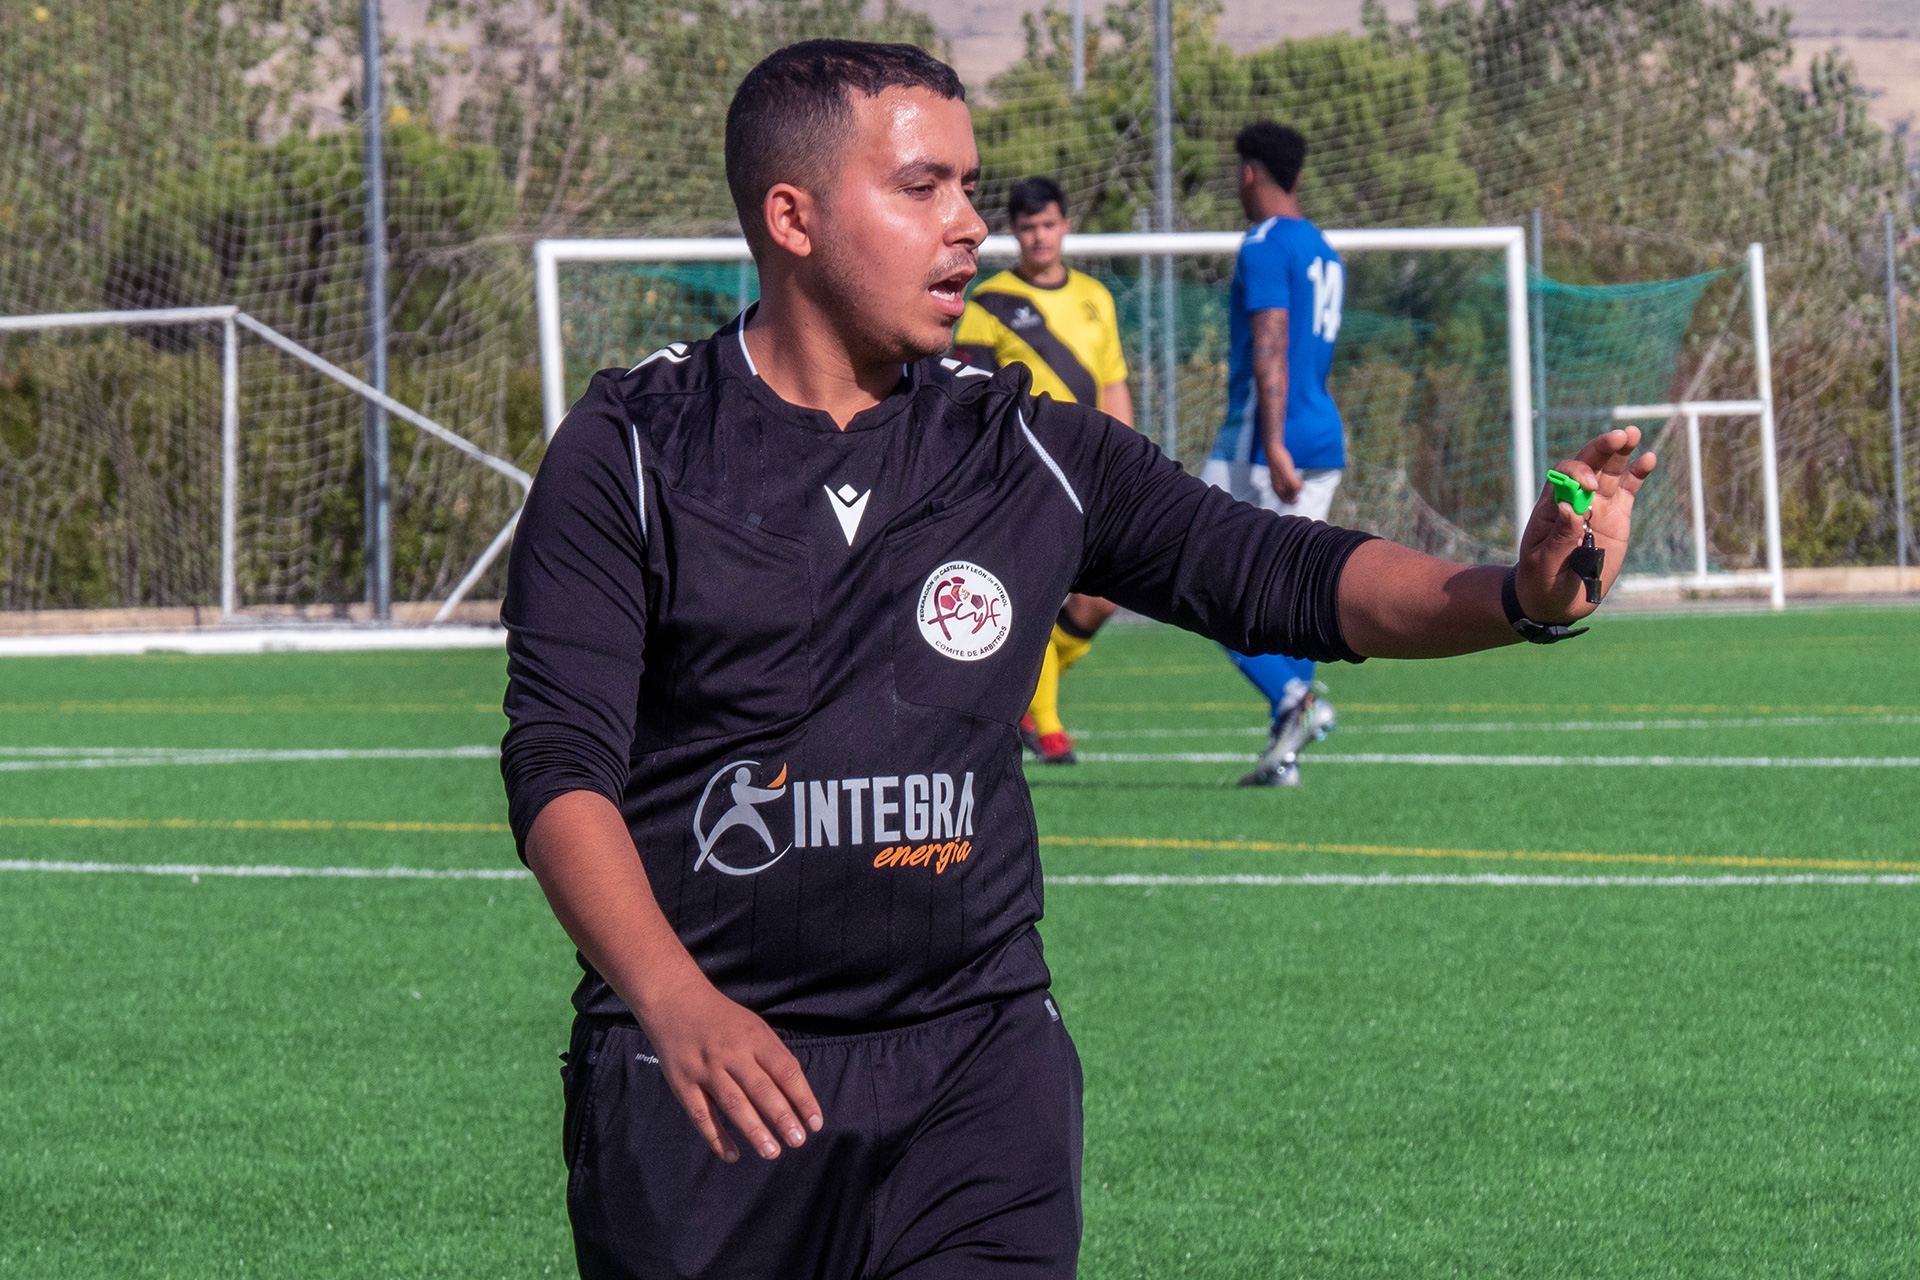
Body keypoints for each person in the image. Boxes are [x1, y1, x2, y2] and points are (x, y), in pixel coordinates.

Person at [500, 38, 1654, 1280]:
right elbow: (560, 763)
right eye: (923, 187)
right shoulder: (629, 448)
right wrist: (674, 1001)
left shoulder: (1024, 446)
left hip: (975, 1070)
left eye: (971, 188)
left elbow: (1283, 572)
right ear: (792, 216)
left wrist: (1519, 592)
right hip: (706, 1082)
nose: (972, 227)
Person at [952, 176, 1133, 765]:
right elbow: (968, 388)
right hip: (1023, 473)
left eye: (1048, 224)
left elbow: (1112, 381)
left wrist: (1127, 455)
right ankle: (1047, 724)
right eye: (1028, 227)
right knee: (1038, 594)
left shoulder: (1095, 298)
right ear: (1015, 232)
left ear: (1065, 226)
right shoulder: (990, 301)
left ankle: (1039, 682)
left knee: (1100, 597)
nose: (1039, 236)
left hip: (1091, 468)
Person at [1201, 122, 1351, 788]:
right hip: (1324, 438)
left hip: (1268, 442)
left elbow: (1272, 343)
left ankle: (1296, 700)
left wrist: (1271, 442)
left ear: (1252, 173)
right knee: (1290, 596)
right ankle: (1283, 750)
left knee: (1201, 575)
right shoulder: (1323, 248)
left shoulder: (1263, 243)